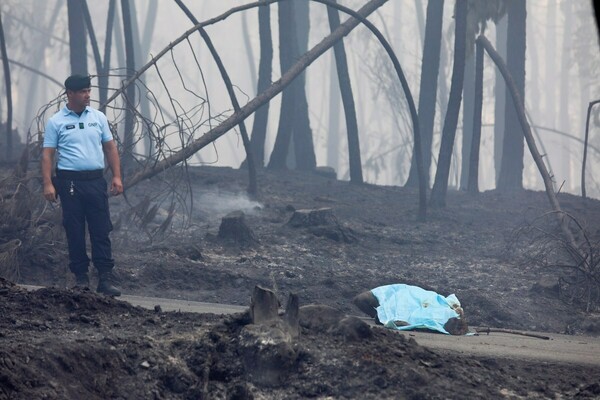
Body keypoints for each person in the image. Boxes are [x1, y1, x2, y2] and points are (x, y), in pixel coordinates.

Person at [41, 74, 123, 296]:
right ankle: (81, 279)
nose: (88, 95)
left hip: (96, 181)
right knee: (75, 231)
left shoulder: (98, 117)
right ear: (70, 93)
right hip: (69, 184)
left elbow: (110, 148)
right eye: (83, 91)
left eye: (89, 90)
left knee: (101, 229)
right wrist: (48, 183)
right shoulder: (56, 121)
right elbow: (48, 154)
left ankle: (104, 279)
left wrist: (116, 176)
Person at [353, 283, 468, 335]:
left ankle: (452, 318)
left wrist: (381, 316)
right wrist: (380, 315)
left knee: (428, 306)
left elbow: (407, 295)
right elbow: (358, 300)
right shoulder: (381, 298)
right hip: (399, 296)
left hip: (407, 292)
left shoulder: (383, 292)